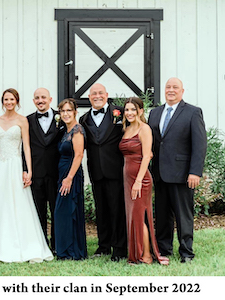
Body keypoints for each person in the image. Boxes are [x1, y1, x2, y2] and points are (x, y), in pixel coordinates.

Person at [0, 88, 53, 263]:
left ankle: (21, 244)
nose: (9, 102)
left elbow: (26, 146)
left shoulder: (23, 120)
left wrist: (29, 170)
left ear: (17, 101)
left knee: (16, 202)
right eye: (6, 99)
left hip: (14, 165)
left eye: (12, 99)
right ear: (2, 101)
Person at [148, 77, 207, 263]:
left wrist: (195, 172)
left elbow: (200, 145)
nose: (171, 90)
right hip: (160, 173)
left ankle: (186, 252)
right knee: (163, 215)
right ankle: (164, 250)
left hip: (182, 174)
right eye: (168, 87)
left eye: (175, 87)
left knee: (183, 215)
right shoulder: (155, 113)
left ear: (182, 91)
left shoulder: (192, 112)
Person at [79, 83, 127, 261]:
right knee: (101, 210)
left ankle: (120, 248)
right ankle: (103, 245)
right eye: (93, 94)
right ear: (89, 97)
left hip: (116, 170)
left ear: (106, 95)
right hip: (96, 171)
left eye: (100, 93)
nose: (97, 96)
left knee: (117, 210)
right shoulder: (84, 119)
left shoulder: (120, 113)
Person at [119, 97, 169, 265]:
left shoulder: (144, 129)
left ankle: (146, 255)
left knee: (139, 216)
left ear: (140, 111)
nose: (130, 113)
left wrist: (139, 181)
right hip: (128, 178)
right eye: (127, 110)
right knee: (132, 216)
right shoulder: (126, 129)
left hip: (141, 179)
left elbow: (147, 155)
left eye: (133, 109)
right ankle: (136, 253)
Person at [26, 88, 64, 252]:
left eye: (43, 97)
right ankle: (41, 245)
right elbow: (23, 148)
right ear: (33, 101)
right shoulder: (27, 120)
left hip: (56, 172)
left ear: (50, 99)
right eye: (37, 98)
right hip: (36, 172)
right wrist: (25, 169)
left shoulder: (62, 117)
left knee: (56, 209)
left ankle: (56, 245)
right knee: (38, 211)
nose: (40, 100)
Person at [55, 98, 87, 260]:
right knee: (64, 212)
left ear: (75, 112)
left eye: (69, 110)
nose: (66, 114)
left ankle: (71, 251)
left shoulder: (77, 130)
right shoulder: (65, 130)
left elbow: (79, 155)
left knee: (68, 211)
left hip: (71, 175)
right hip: (63, 174)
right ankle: (66, 250)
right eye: (63, 111)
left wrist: (69, 178)